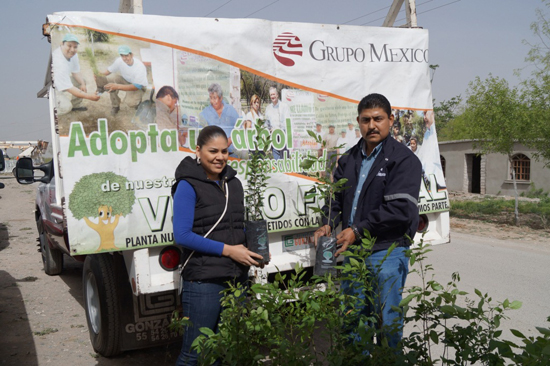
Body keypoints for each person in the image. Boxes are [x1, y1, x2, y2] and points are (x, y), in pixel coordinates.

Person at [314, 93, 421, 348]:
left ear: (390, 120)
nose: (372, 125)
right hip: (354, 252)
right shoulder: (349, 158)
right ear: (358, 122)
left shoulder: (404, 160)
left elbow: (399, 210)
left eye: (378, 119)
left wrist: (357, 229)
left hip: (386, 252)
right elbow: (336, 197)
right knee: (353, 321)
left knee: (387, 324)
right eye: (365, 120)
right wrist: (327, 221)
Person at [172, 126, 263, 366]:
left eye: (224, 151)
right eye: (213, 151)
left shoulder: (233, 183)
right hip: (204, 281)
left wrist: (254, 249)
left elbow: (235, 226)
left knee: (227, 350)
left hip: (236, 278)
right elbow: (181, 235)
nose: (220, 157)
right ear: (198, 150)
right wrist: (230, 250)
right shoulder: (187, 185)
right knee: (195, 353)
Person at [52, 34, 100, 115]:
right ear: (62, 44)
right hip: (52, 88)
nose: (72, 49)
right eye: (69, 46)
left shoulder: (73, 54)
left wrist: (82, 84)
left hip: (60, 81)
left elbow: (75, 72)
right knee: (66, 107)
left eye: (75, 47)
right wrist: (89, 96)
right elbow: (69, 88)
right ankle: (50, 112)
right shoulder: (58, 61)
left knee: (82, 80)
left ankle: (76, 104)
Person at [99, 45, 148, 115]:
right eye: (122, 56)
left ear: (131, 55)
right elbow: (108, 71)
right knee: (111, 79)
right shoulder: (119, 61)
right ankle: (115, 105)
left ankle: (138, 103)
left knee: (130, 103)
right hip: (126, 81)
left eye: (126, 55)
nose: (125, 58)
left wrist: (117, 86)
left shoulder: (139, 66)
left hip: (138, 86)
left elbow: (136, 86)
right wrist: (99, 74)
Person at [199, 83, 239, 155]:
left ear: (221, 98)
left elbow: (239, 127)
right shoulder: (205, 112)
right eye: (210, 98)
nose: (212, 101)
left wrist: (229, 141)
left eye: (214, 98)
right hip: (213, 153)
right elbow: (200, 131)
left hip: (232, 153)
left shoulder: (230, 110)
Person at [264, 86, 291, 159]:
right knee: (276, 160)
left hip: (283, 137)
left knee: (285, 160)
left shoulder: (284, 106)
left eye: (274, 94)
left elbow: (287, 122)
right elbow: (266, 124)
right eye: (271, 95)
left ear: (277, 95)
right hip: (274, 138)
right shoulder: (268, 108)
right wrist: (269, 129)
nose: (272, 96)